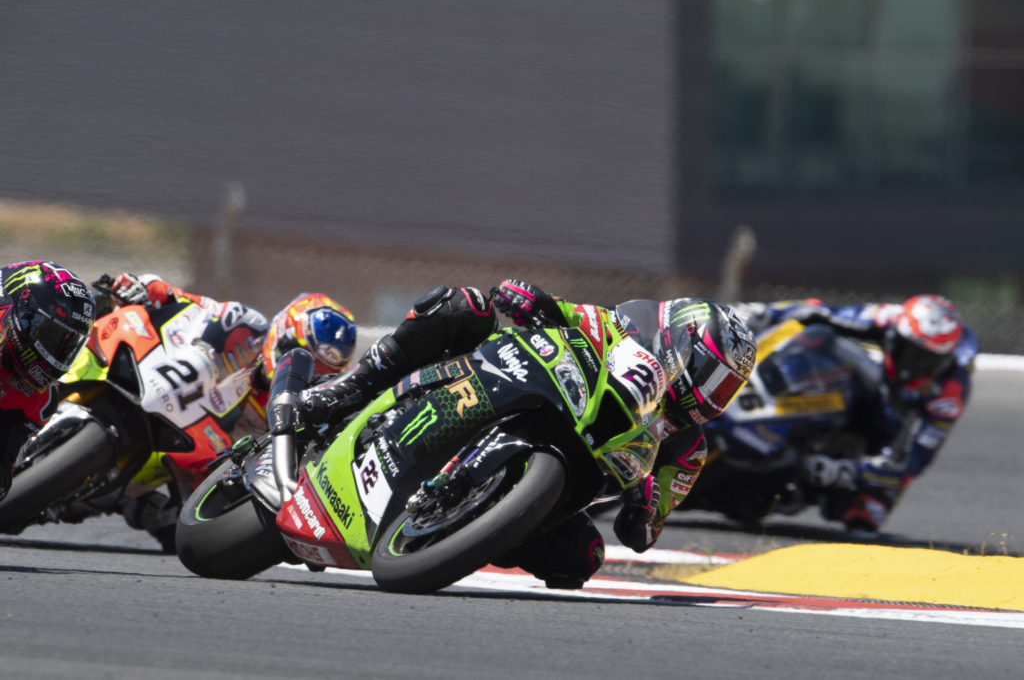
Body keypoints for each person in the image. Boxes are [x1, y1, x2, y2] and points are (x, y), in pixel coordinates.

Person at [299, 279, 756, 588]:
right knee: (465, 305)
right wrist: (530, 297)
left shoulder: (689, 448)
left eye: (726, 386)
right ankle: (351, 386)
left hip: (568, 478)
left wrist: (644, 504)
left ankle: (474, 530)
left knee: (584, 558)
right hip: (516, 386)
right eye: (711, 374)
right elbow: (559, 310)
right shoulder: (619, 328)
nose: (712, 394)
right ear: (681, 341)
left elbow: (646, 530)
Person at [105, 273, 357, 544]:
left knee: (185, 534)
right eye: (296, 353)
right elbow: (182, 300)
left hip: (192, 464)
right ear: (281, 335)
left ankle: (137, 505)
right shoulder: (242, 330)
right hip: (154, 399)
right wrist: (144, 287)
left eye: (316, 371)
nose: (299, 370)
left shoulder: (294, 413)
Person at [735, 294, 977, 535]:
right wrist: (765, 313)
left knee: (867, 517)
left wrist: (847, 470)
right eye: (912, 353)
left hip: (888, 432)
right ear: (896, 336)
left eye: (929, 360)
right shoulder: (888, 318)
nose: (916, 365)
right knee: (818, 337)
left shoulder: (950, 392)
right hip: (867, 388)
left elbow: (914, 460)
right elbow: (818, 312)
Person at [0, 261, 97, 502]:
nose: (57, 353)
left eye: (69, 344)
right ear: (24, 311)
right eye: (52, 336)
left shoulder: (39, 399)